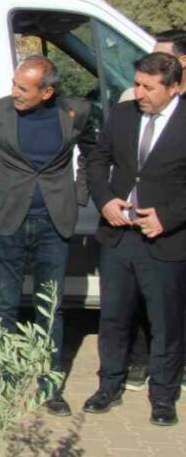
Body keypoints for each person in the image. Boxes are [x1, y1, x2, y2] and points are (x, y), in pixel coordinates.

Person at [0, 56, 97, 416]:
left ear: (47, 92)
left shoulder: (76, 112)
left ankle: (50, 383)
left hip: (54, 223)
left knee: (50, 306)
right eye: (14, 84)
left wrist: (78, 197)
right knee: (5, 304)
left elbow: (91, 156)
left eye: (22, 88)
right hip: (7, 220)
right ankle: (2, 375)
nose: (14, 92)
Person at [82, 52, 186, 427]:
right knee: (113, 316)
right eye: (137, 83)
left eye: (148, 87)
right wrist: (105, 199)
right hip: (118, 235)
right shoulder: (123, 114)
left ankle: (163, 395)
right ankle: (109, 385)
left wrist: (168, 217)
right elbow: (96, 160)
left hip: (166, 239)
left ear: (174, 87)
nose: (138, 92)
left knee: (166, 322)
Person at [119, 28, 186, 391]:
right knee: (149, 298)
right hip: (150, 227)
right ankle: (141, 361)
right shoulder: (136, 104)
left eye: (164, 57)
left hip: (175, 218)